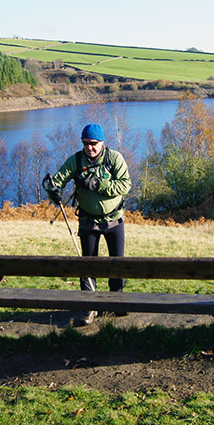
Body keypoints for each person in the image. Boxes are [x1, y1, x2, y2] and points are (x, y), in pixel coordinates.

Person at [45, 123, 132, 326]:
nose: (90, 148)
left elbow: (125, 185)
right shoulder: (76, 161)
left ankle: (116, 301)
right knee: (88, 264)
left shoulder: (114, 159)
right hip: (88, 223)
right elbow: (56, 181)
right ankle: (89, 307)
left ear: (102, 142)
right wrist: (53, 191)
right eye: (86, 143)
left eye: (93, 143)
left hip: (114, 221)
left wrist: (99, 184)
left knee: (116, 263)